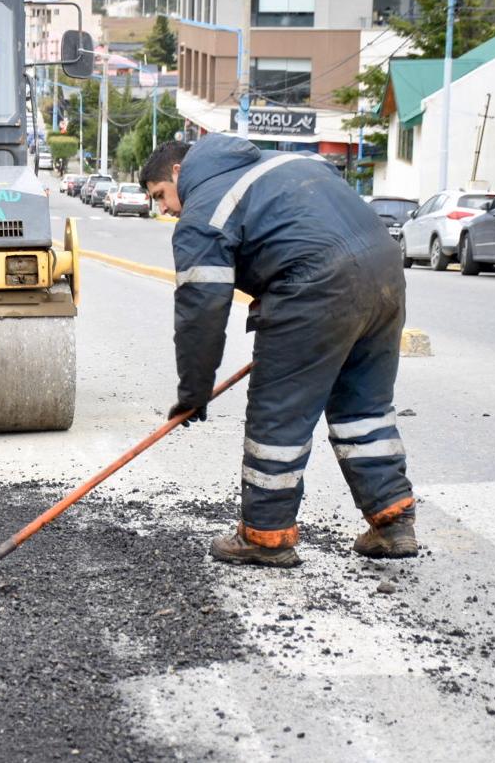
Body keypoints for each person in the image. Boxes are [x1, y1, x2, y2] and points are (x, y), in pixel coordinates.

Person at [139, 134, 417, 568]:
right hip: (384, 274)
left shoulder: (204, 209)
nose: (165, 209)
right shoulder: (280, 163)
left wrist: (194, 393)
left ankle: (265, 536)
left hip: (314, 286)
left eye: (161, 196)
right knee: (363, 408)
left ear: (178, 171)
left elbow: (200, 313)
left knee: (278, 414)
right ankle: (393, 522)